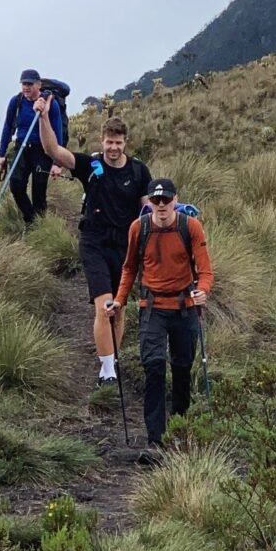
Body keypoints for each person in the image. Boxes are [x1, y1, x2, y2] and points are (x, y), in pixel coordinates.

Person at [34, 96, 152, 386]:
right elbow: (53, 150)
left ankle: (114, 356)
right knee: (105, 306)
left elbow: (148, 209)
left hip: (125, 247)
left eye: (118, 142)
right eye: (109, 142)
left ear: (126, 143)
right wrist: (44, 118)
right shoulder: (91, 166)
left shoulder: (138, 171)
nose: (113, 148)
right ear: (102, 141)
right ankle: (108, 371)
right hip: (95, 242)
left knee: (120, 308)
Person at [107, 177, 213, 451]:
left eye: (166, 200)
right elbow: (129, 268)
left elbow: (205, 270)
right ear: (150, 203)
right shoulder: (138, 228)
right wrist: (119, 301)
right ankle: (156, 439)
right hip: (152, 308)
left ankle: (180, 428)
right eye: (156, 200)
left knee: (181, 368)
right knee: (153, 367)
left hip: (184, 308)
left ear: (176, 200)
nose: (162, 205)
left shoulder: (191, 227)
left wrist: (202, 291)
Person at [0, 70, 64, 226]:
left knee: (39, 191)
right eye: (24, 84)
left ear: (38, 85)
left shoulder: (50, 103)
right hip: (22, 148)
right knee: (16, 185)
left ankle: (41, 228)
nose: (26, 87)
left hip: (43, 150)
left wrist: (57, 162)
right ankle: (32, 220)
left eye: (30, 84)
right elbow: (7, 126)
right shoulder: (17, 101)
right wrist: (2, 154)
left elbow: (58, 130)